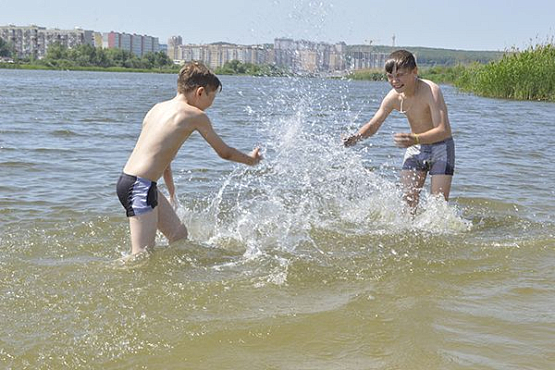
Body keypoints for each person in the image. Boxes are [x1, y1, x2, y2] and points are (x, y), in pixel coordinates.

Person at [117, 61, 262, 255]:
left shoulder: (157, 108)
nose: (209, 107)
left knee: (178, 235)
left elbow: (162, 159)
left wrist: (172, 193)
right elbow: (224, 152)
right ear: (200, 92)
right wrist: (250, 160)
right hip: (139, 186)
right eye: (211, 99)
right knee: (141, 255)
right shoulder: (195, 115)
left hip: (137, 182)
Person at [343, 49, 454, 209]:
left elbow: (443, 130)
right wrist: (355, 138)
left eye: (400, 75)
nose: (395, 81)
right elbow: (373, 125)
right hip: (415, 147)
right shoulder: (393, 97)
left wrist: (415, 138)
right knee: (408, 204)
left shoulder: (431, 90)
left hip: (441, 147)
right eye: (390, 76)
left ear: (414, 72)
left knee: (438, 206)